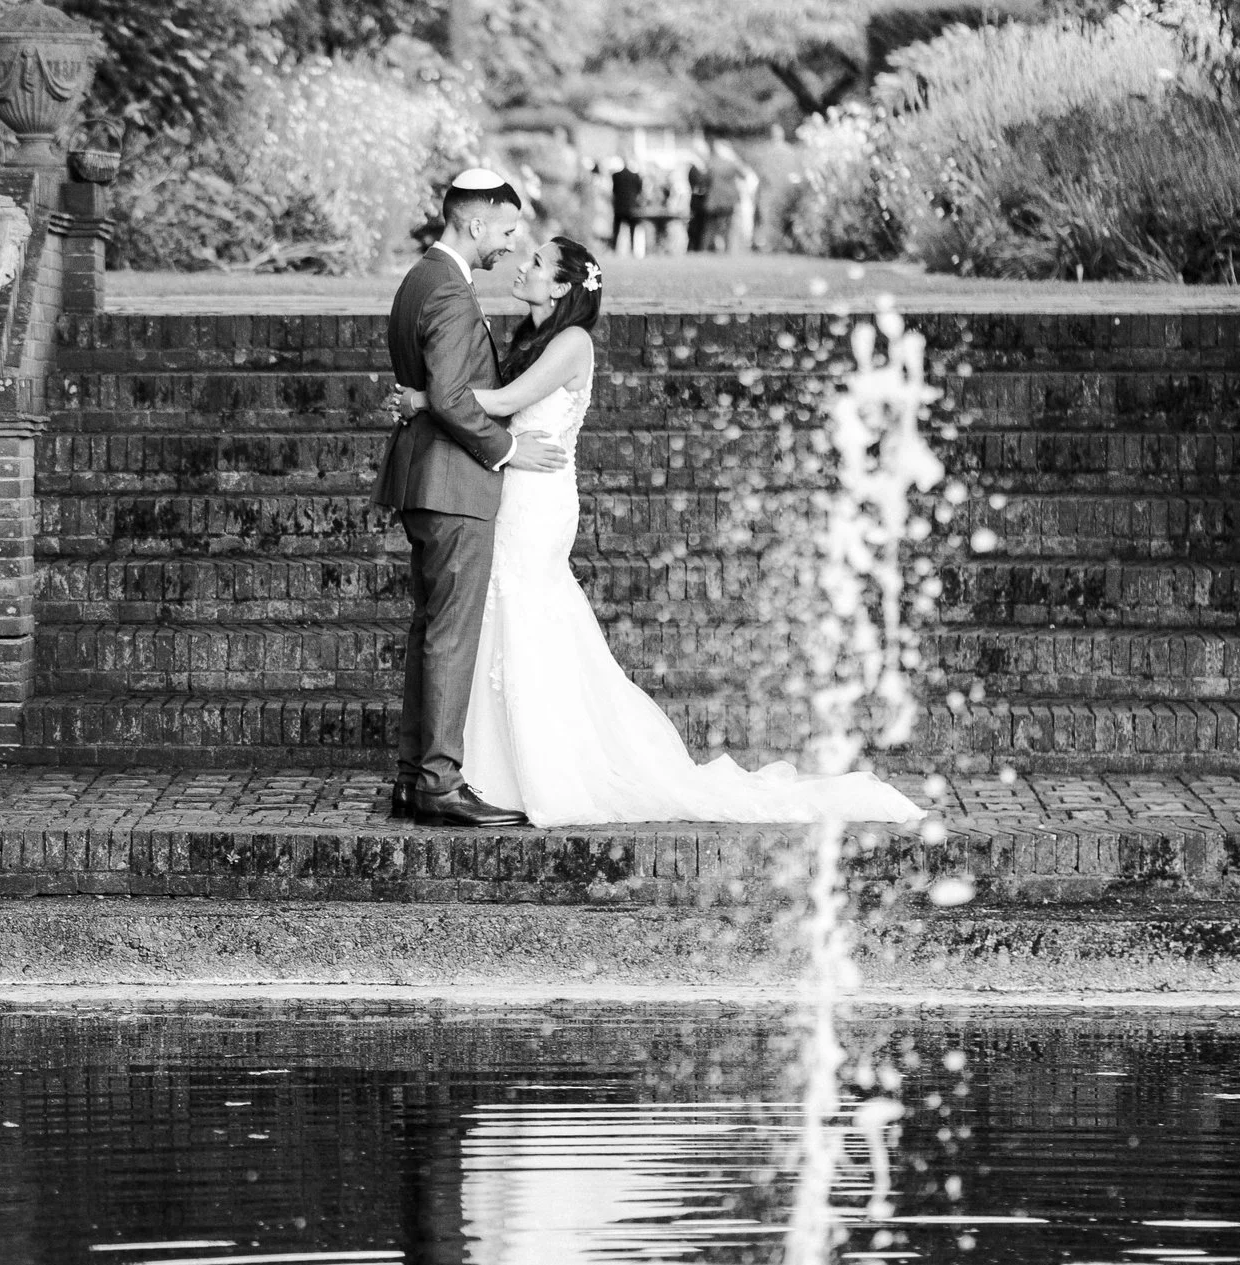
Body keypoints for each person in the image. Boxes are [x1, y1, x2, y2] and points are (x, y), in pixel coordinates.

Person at [395, 238, 923, 829]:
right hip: (514, 488)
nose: (525, 266)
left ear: (564, 288)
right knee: (499, 616)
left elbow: (507, 401)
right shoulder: (528, 337)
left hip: (538, 500)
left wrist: (425, 398)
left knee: (521, 609)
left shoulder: (572, 343)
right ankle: (480, 767)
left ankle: (525, 769)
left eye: (538, 264)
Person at [372, 170, 571, 829]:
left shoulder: (421, 279)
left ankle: (412, 775)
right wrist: (509, 451)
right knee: (451, 636)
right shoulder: (452, 292)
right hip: (455, 483)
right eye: (508, 230)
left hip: (425, 481)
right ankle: (437, 782)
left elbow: (438, 390)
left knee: (431, 630)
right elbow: (455, 397)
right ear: (474, 221)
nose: (512, 245)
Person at [608, 157, 644, 257]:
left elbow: (614, 191)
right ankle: (632, 249)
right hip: (631, 207)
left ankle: (614, 249)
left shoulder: (616, 176)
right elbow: (639, 191)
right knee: (632, 230)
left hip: (619, 207)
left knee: (616, 230)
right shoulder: (635, 176)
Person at [687, 158, 712, 255]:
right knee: (696, 228)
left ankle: (698, 248)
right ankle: (695, 248)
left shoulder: (698, 170)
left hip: (699, 204)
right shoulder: (694, 170)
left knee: (700, 227)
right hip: (697, 205)